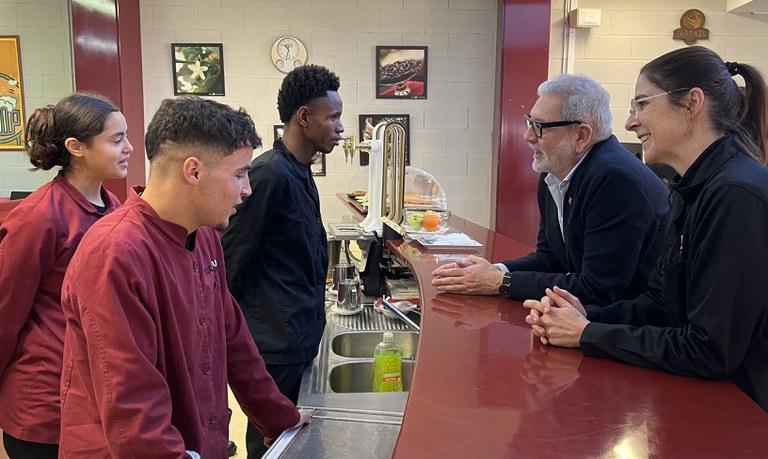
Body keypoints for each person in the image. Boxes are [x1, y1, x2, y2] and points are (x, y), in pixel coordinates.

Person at [58, 96, 310, 457]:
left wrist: (279, 418)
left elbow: (233, 339)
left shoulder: (204, 235)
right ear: (194, 171)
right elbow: (132, 408)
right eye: (239, 174)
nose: (247, 189)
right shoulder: (114, 253)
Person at [524, 46, 768, 412]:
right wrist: (583, 316)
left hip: (742, 413)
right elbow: (661, 304)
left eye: (642, 105)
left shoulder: (736, 195)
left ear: (692, 103)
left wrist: (588, 334)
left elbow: (709, 351)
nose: (630, 123)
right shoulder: (690, 189)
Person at [432, 73, 669, 306]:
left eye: (540, 127)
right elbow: (552, 257)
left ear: (581, 135)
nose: (527, 136)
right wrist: (494, 270)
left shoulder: (615, 181)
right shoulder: (554, 173)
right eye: (529, 122)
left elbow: (598, 289)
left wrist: (500, 282)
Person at [220, 64, 343, 458]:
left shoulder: (300, 172)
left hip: (296, 337)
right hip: (273, 345)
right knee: (272, 447)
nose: (340, 127)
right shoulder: (269, 174)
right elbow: (230, 260)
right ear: (304, 117)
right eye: (333, 117)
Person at [0, 93, 131, 458]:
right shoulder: (38, 217)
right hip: (44, 401)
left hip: (93, 391)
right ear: (76, 147)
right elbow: (5, 315)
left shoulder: (113, 208)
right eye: (116, 139)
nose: (129, 148)